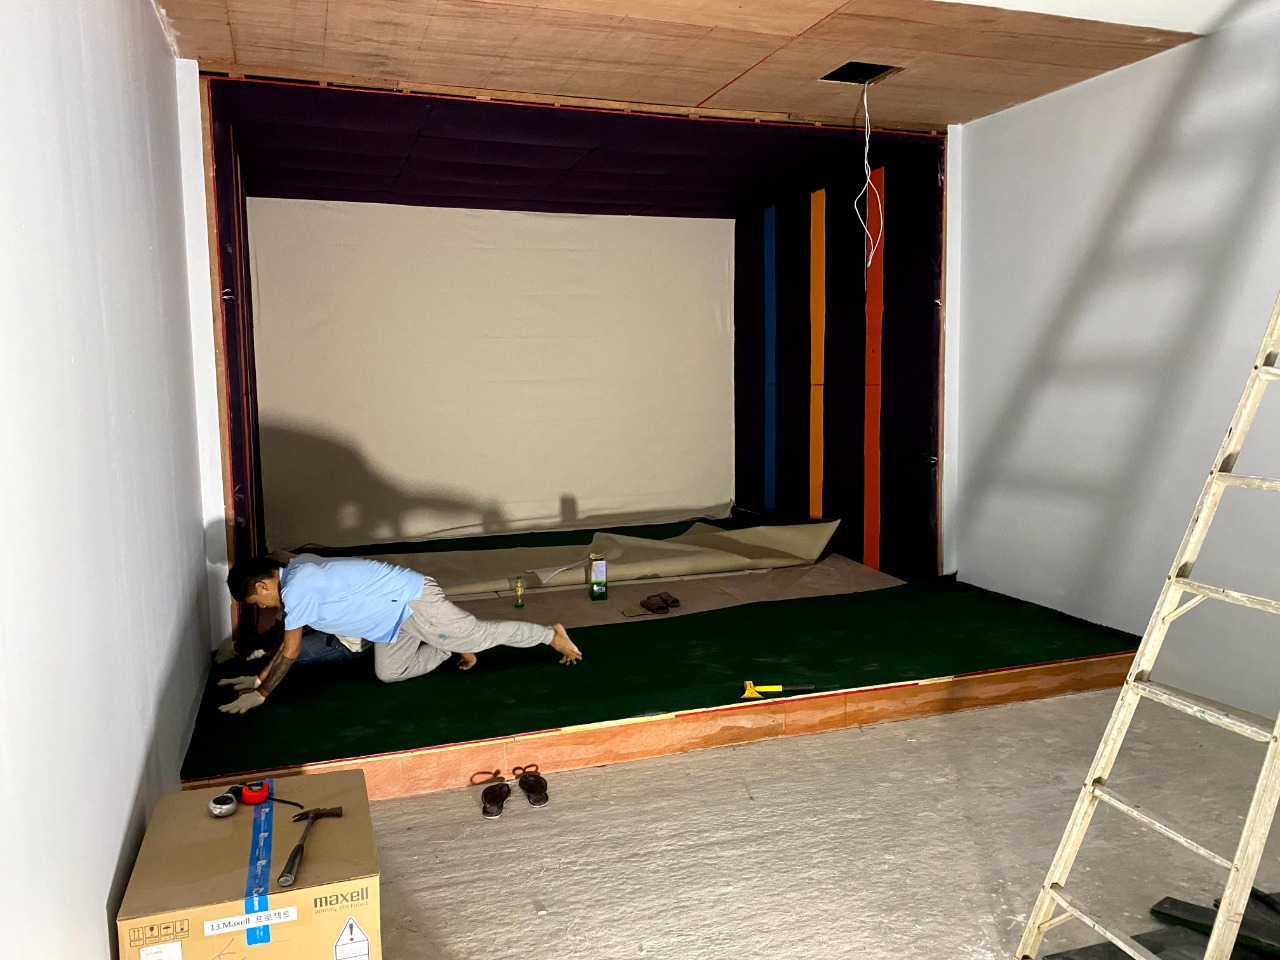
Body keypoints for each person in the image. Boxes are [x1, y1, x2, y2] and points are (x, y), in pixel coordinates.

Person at [217, 554, 582, 714]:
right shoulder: (296, 568)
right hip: (390, 620)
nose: (263, 607)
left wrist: (261, 693)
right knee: (389, 672)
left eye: (258, 601)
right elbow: (283, 642)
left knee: (477, 636)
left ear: (263, 585)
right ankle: (448, 645)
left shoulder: (298, 588)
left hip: (411, 601)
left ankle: (549, 635)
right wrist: (257, 678)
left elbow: (290, 650)